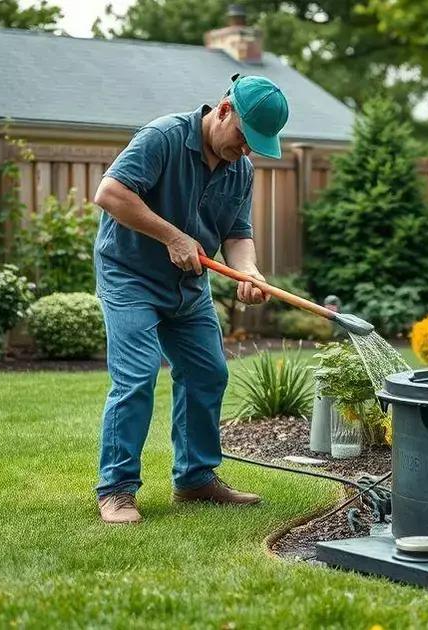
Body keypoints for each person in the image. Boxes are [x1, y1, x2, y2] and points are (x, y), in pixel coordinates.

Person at [91, 75, 288, 524]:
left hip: (187, 285)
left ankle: (195, 479)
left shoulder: (241, 169)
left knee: (207, 371)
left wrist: (249, 270)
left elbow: (237, 233)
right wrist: (172, 235)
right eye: (244, 136)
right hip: (131, 275)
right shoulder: (163, 137)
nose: (247, 149)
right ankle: (117, 489)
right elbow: (110, 193)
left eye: (257, 143)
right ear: (223, 110)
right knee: (137, 374)